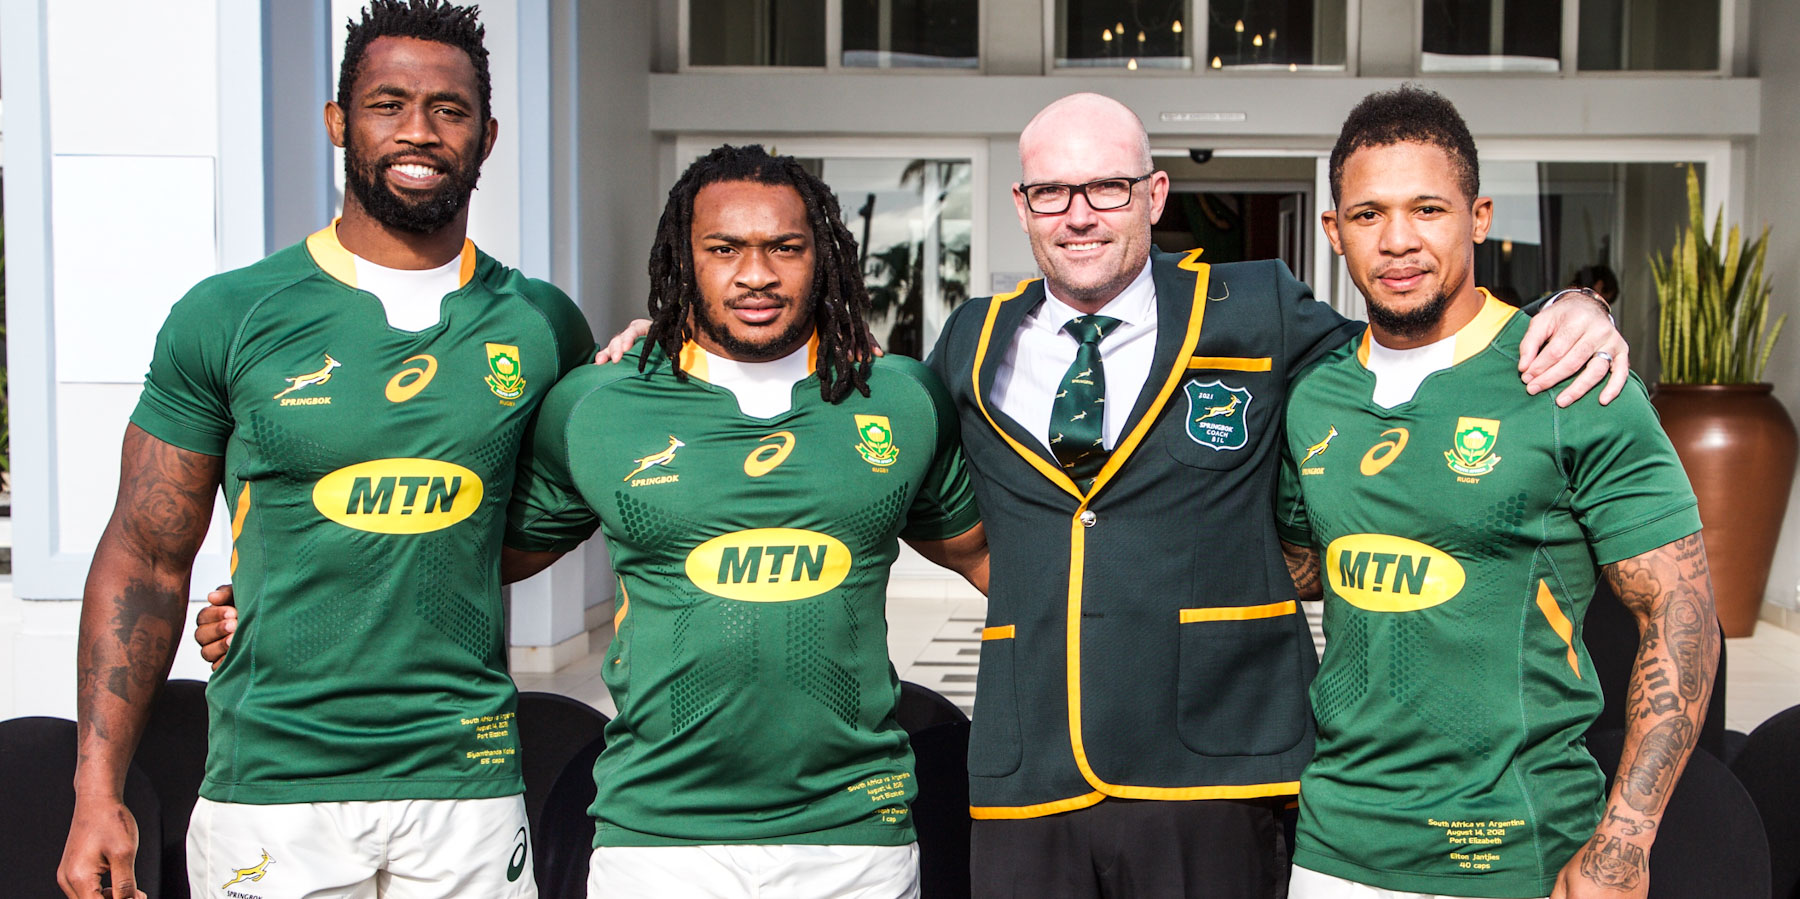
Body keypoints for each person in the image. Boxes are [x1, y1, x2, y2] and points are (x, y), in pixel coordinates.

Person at [918, 93, 1632, 898]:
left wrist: (1569, 307)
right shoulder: (972, 338)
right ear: (1023, 206)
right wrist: (1022, 576)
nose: (1079, 214)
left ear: (1154, 195)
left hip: (1215, 769)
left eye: (1108, 187)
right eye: (1052, 191)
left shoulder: (1257, 306)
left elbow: (1414, 342)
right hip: (1029, 770)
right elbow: (911, 478)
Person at [58, 3, 594, 897]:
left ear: (488, 136)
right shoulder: (230, 315)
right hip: (273, 786)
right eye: (388, 104)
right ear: (339, 123)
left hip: (464, 782)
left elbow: (535, 513)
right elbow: (146, 556)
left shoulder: (541, 325)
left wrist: (648, 367)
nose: (418, 131)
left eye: (449, 110)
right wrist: (95, 791)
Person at [501, 144, 988, 897]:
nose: (755, 274)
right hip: (656, 837)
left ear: (822, 257)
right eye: (724, 249)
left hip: (856, 835)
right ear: (683, 258)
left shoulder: (897, 398)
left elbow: (990, 561)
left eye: (784, 248)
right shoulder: (598, 404)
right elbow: (473, 558)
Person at [1276, 85, 1716, 899]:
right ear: (1334, 231)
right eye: (1369, 214)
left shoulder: (1571, 378)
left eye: (1428, 209)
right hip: (1336, 845)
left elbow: (1681, 611)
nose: (1398, 240)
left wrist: (1624, 842)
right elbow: (1304, 566)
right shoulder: (1313, 399)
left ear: (1479, 217)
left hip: (1513, 847)